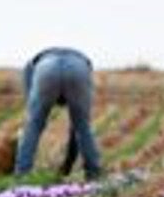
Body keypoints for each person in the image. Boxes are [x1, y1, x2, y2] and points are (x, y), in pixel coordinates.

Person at [15, 47, 103, 181]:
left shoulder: (30, 68)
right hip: (79, 68)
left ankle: (21, 173)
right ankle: (94, 173)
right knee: (83, 127)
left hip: (45, 69)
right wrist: (68, 165)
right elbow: (77, 130)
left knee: (33, 125)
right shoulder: (84, 66)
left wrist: (68, 163)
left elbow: (31, 113)